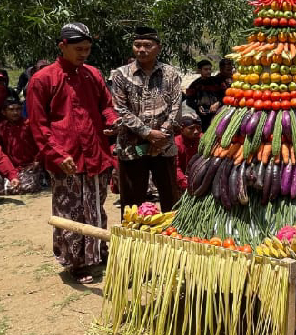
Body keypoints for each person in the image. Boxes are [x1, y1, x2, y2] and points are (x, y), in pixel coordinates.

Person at [26, 22, 119, 284]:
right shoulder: (42, 79)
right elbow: (38, 125)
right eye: (78, 49)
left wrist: (111, 120)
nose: (84, 54)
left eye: (88, 49)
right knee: (70, 213)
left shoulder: (93, 74)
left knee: (96, 208)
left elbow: (106, 106)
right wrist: (56, 154)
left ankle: (97, 252)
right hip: (66, 158)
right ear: (62, 46)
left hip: (96, 154)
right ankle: (75, 262)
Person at [111, 26, 182, 216]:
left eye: (147, 45)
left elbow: (176, 107)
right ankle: (133, 242)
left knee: (170, 198)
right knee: (132, 202)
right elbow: (120, 109)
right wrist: (148, 133)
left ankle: (171, 239)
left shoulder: (170, 73)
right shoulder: (120, 75)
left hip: (164, 145)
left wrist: (162, 135)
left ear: (158, 47)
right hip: (131, 146)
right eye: (137, 45)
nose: (141, 49)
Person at [0, 97, 43, 194]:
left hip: (29, 167)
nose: (15, 112)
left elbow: (41, 144)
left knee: (25, 188)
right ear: (4, 112)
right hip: (10, 167)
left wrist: (38, 160)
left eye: (18, 109)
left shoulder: (29, 124)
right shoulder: (1, 127)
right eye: (11, 110)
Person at [185, 59, 223, 131]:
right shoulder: (194, 84)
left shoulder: (218, 81)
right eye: (206, 69)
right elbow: (189, 100)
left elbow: (226, 95)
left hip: (219, 113)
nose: (209, 71)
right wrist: (197, 107)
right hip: (203, 116)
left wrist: (218, 103)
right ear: (199, 70)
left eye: (210, 69)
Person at [175, 113, 202, 192]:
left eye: (199, 128)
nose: (196, 131)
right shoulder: (176, 143)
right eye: (191, 128)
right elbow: (175, 167)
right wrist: (185, 183)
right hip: (181, 183)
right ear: (182, 129)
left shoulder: (203, 140)